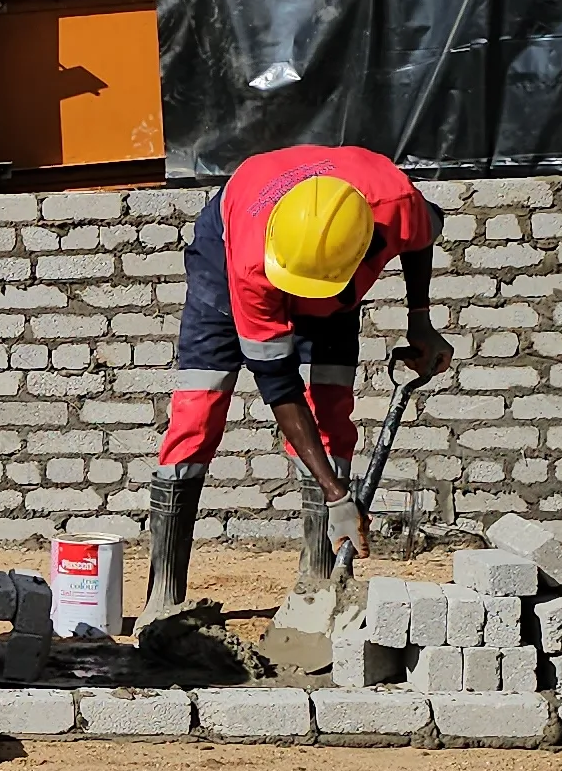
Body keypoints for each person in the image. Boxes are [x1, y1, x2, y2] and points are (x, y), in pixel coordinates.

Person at [141, 144, 452, 618]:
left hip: (334, 269)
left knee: (331, 414)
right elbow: (278, 384)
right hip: (228, 268)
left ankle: (318, 591)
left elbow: (419, 239)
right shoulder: (251, 266)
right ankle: (164, 596)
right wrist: (337, 495)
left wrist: (420, 320)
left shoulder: (397, 202)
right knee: (197, 414)